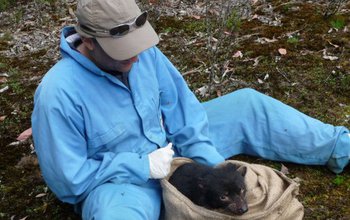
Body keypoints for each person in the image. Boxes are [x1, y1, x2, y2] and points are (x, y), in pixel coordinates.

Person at [31, 0, 350, 219]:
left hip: (172, 149)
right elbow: (70, 182)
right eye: (122, 52)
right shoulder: (58, 95)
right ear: (87, 40)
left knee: (247, 104)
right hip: (120, 184)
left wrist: (214, 168)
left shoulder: (144, 54)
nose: (136, 58)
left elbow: (185, 114)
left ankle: (341, 148)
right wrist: (140, 166)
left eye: (138, 46)